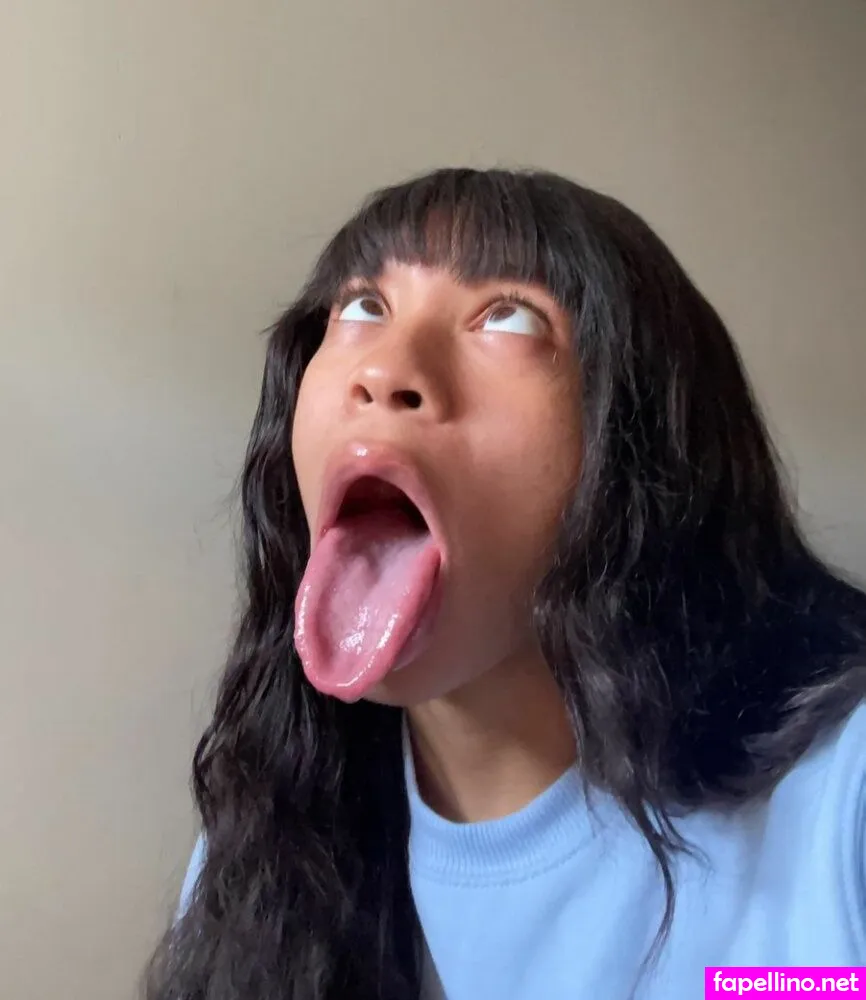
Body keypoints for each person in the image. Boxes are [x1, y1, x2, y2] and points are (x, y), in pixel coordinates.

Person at [144, 168, 866, 1000]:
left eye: (511, 317)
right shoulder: (269, 837)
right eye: (364, 306)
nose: (385, 369)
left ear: (646, 441)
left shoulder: (839, 797)